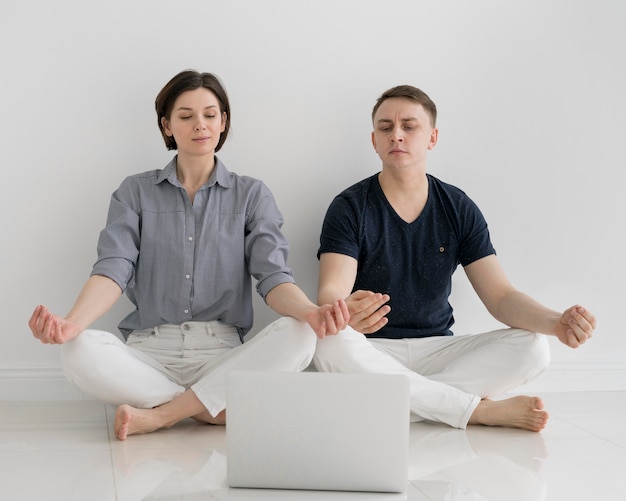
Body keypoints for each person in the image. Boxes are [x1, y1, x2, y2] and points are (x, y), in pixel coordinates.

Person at [28, 70, 349, 440]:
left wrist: (311, 312)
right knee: (76, 351)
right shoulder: (134, 192)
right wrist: (72, 323)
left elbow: (274, 277)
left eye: (211, 115)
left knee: (300, 334)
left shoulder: (252, 195)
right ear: (167, 126)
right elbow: (113, 269)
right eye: (185, 116)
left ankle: (162, 416)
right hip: (148, 355)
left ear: (223, 121)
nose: (200, 125)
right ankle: (210, 407)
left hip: (222, 353)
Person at [313, 85, 596, 432]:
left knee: (534, 347)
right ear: (374, 140)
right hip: (373, 351)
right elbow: (330, 292)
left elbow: (501, 297)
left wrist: (556, 323)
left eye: (409, 126)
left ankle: (402, 401)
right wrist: (344, 311)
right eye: (386, 128)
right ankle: (475, 411)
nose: (396, 135)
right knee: (326, 345)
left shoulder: (457, 206)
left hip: (440, 352)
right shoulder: (350, 206)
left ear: (432, 137)